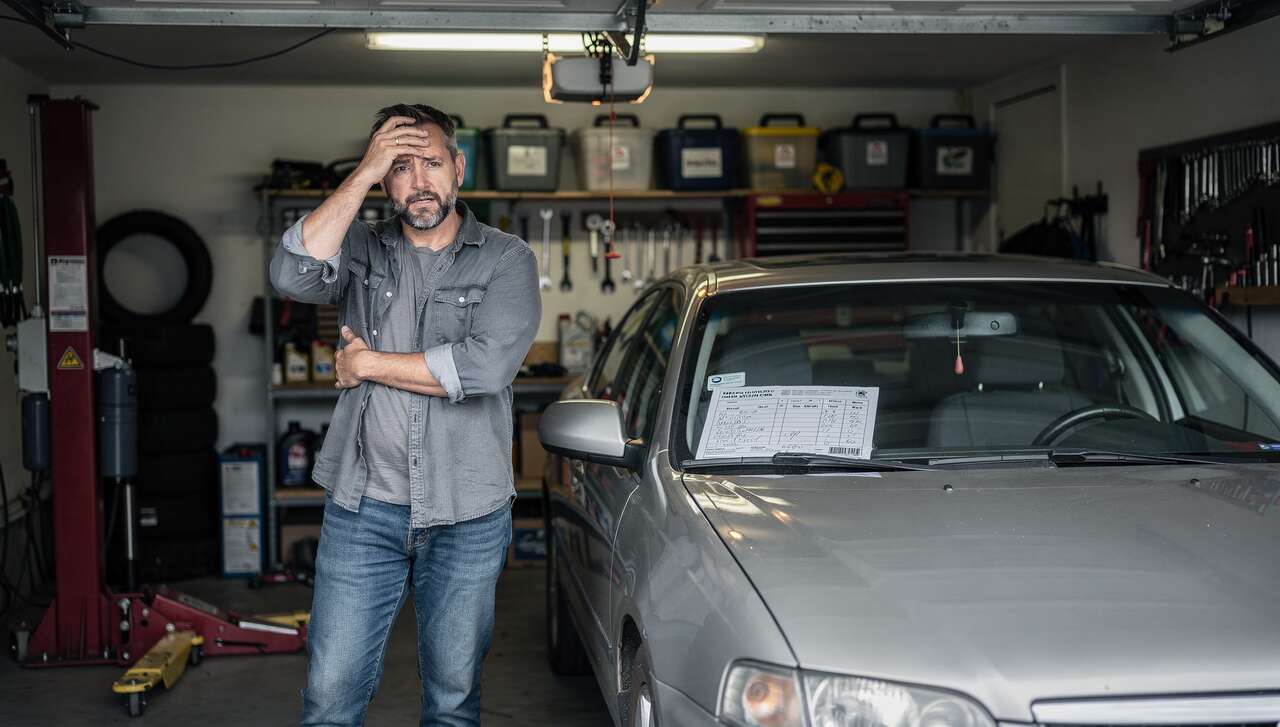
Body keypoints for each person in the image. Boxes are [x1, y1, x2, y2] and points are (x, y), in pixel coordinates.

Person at [269, 103, 542, 726]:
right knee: (329, 695)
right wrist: (363, 171)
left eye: (432, 164)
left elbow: (483, 369)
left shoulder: (506, 259)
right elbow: (290, 273)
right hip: (363, 506)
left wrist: (367, 364)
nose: (419, 181)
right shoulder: (359, 248)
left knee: (452, 699)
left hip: (467, 511)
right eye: (399, 168)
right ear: (383, 181)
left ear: (459, 169)